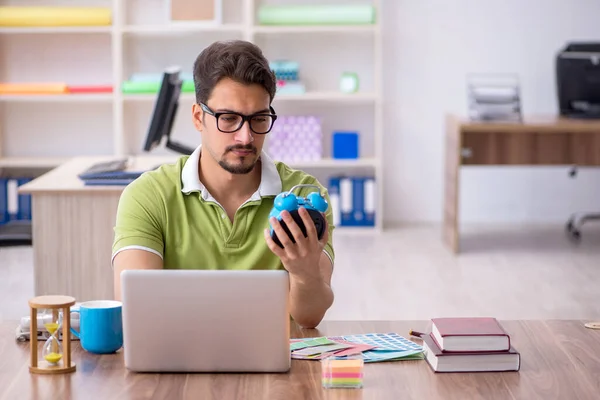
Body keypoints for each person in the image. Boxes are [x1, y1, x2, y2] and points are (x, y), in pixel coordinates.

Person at [111, 40, 335, 328]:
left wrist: (304, 274)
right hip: (177, 365)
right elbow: (136, 311)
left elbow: (309, 318)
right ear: (197, 117)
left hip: (275, 368)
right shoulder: (147, 196)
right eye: (228, 119)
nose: (245, 137)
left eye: (259, 119)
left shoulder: (305, 197)